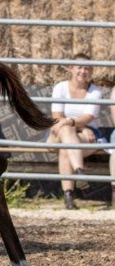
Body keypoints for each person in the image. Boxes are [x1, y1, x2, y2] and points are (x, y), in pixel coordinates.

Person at [48, 54, 104, 209]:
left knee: (67, 148)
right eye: (79, 67)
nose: (83, 71)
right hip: (61, 134)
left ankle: (68, 196)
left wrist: (73, 123)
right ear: (71, 68)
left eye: (87, 68)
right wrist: (77, 126)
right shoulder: (60, 87)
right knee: (65, 131)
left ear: (91, 71)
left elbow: (88, 117)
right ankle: (80, 171)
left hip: (84, 134)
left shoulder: (95, 92)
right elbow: (57, 117)